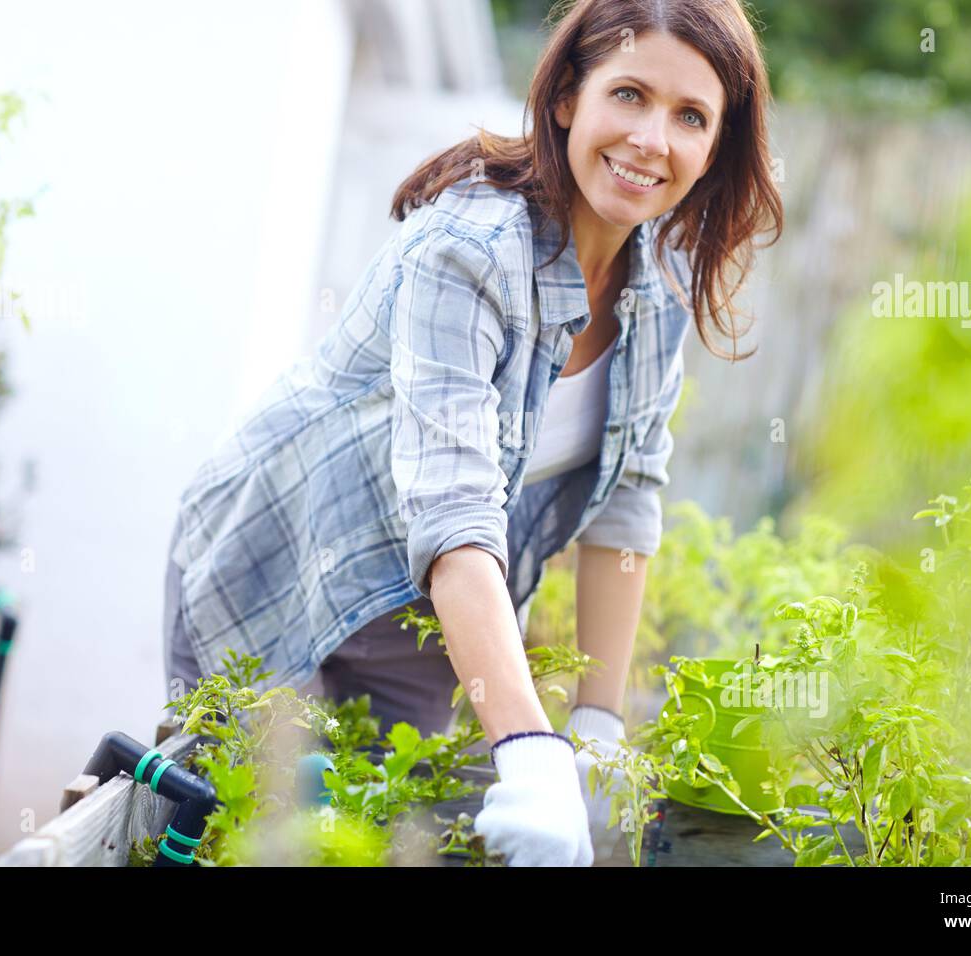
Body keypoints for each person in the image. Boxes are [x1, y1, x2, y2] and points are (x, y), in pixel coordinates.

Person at [163, 0, 782, 866]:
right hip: (274, 577)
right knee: (259, 840)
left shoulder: (658, 293)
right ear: (568, 95)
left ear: (714, 146)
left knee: (396, 844)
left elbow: (626, 507)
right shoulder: (470, 250)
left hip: (418, 624)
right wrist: (531, 753)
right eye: (630, 94)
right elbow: (454, 513)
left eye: (690, 116)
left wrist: (597, 730)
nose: (652, 138)